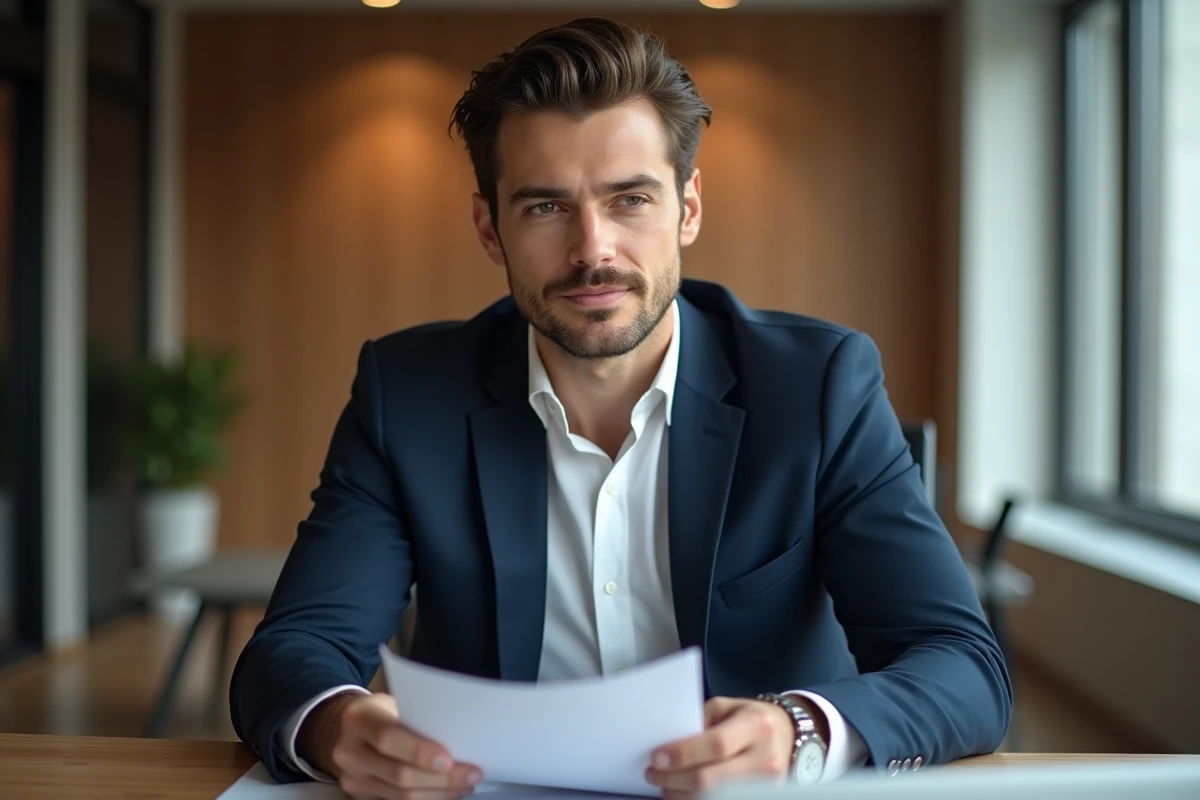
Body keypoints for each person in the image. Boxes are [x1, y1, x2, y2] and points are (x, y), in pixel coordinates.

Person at [229, 16, 1011, 800]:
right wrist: (337, 726)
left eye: (630, 199)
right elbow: (297, 647)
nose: (592, 249)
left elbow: (962, 666)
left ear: (689, 208)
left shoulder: (818, 388)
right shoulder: (408, 393)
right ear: (489, 229)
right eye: (544, 207)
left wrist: (794, 730)